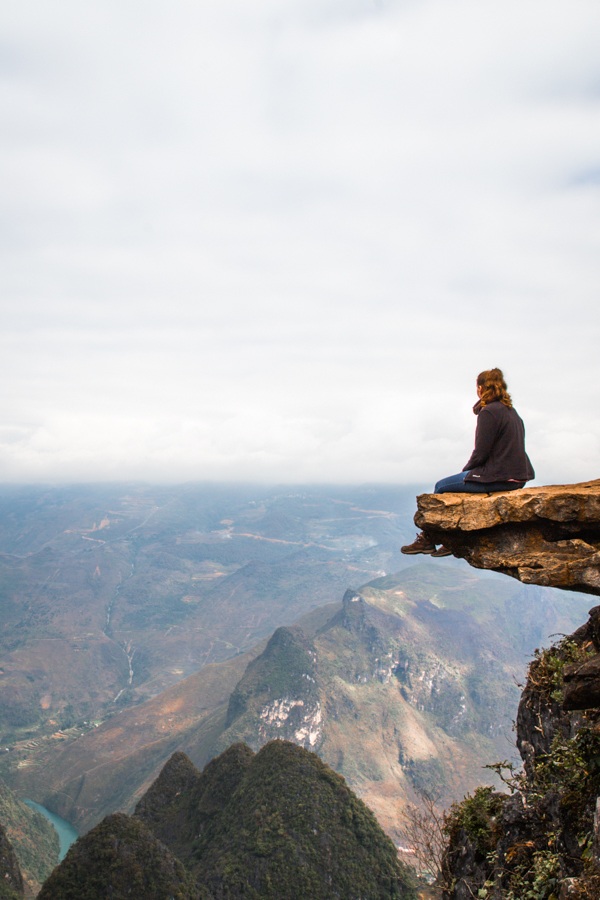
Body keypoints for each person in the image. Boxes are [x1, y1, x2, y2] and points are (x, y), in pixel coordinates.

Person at [401, 368, 534, 557]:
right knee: (453, 484)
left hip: (498, 476)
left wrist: (467, 472)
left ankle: (429, 541)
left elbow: (481, 452)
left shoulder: (488, 413)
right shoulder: (511, 412)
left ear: (480, 388)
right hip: (519, 477)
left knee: (441, 486)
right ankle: (448, 541)